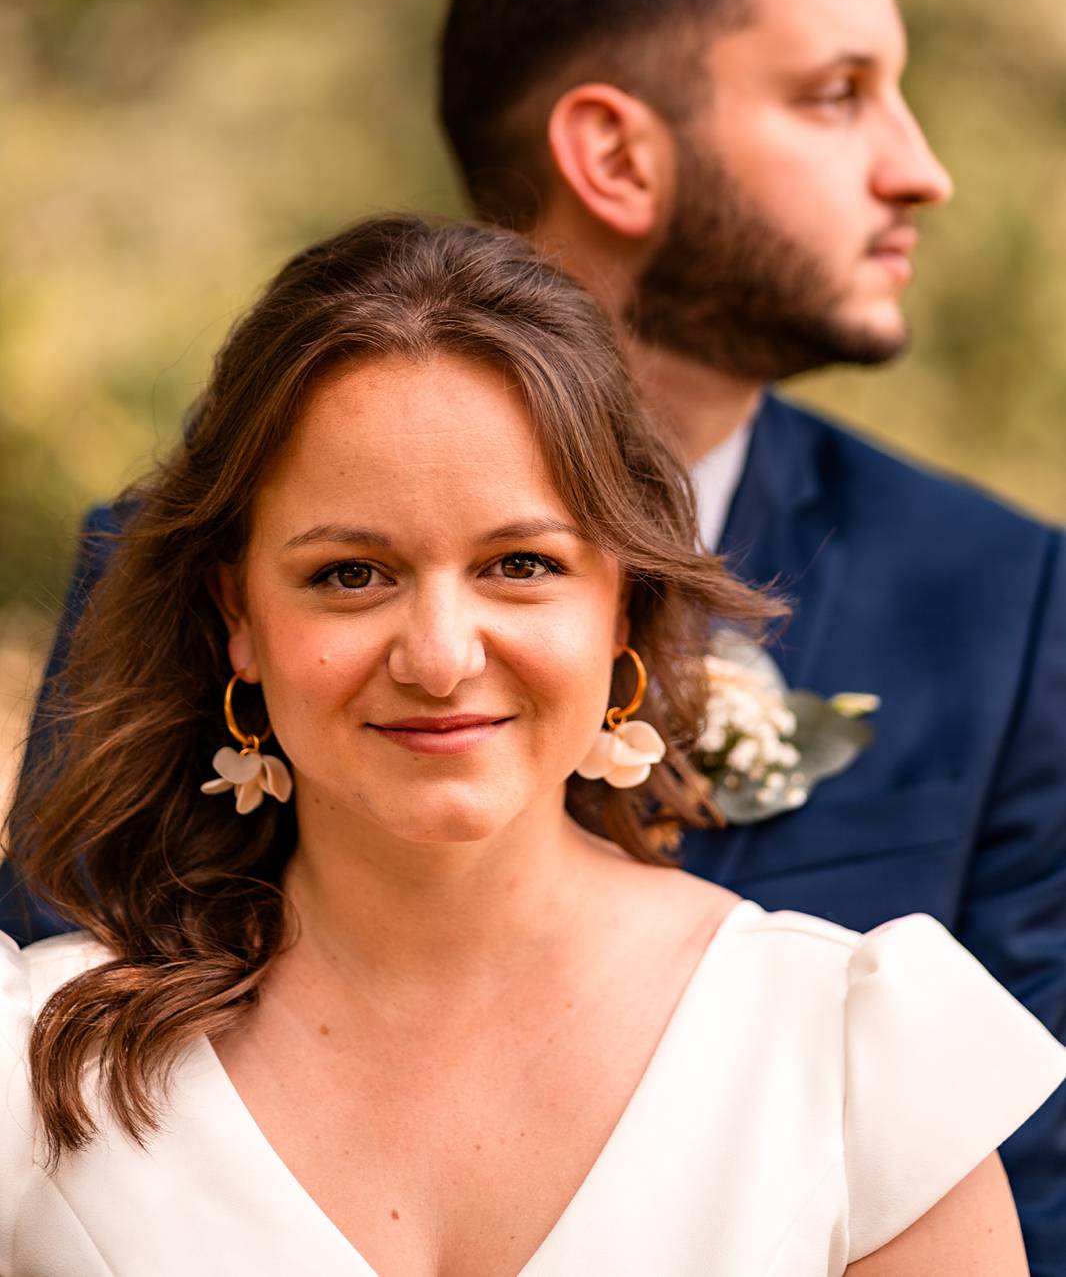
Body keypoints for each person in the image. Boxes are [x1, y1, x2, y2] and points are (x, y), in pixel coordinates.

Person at [1, 216, 1063, 1276]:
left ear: (621, 600)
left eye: (518, 564)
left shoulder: (848, 1059)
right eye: (350, 574)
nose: (438, 655)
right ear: (238, 613)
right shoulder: (33, 1064)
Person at [436, 0, 1066, 1274]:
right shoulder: (201, 572)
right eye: (835, 96)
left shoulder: (1002, 600)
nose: (921, 171)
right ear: (611, 155)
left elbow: (1040, 1180)